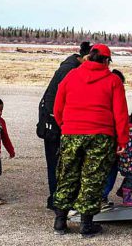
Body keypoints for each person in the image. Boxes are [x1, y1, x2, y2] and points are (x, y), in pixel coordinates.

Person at [52, 44, 128, 237]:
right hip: (100, 136)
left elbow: (58, 104)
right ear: (106, 60)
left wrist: (66, 125)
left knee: (67, 175)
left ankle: (60, 221)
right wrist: (122, 140)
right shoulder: (113, 81)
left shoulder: (71, 76)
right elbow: (120, 113)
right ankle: (86, 226)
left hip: (71, 133)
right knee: (92, 179)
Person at [37, 41, 91, 210]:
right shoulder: (69, 70)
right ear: (84, 57)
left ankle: (57, 200)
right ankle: (56, 201)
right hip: (53, 125)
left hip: (55, 122)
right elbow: (58, 101)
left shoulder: (72, 67)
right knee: (56, 163)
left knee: (61, 164)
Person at [100, 69, 126, 211]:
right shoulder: (110, 99)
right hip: (109, 139)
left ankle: (101, 196)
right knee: (109, 170)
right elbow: (121, 119)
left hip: (106, 138)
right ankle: (101, 197)